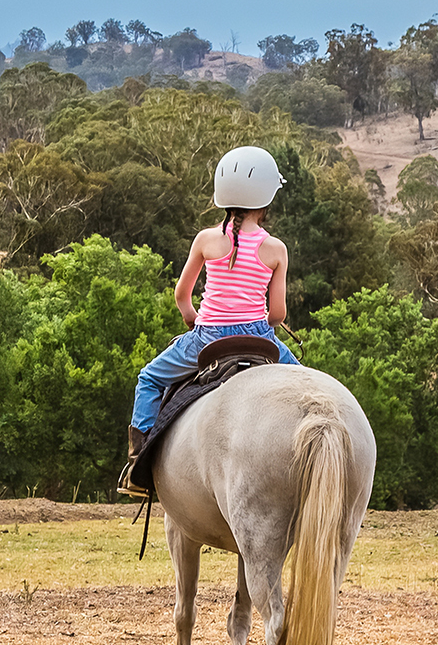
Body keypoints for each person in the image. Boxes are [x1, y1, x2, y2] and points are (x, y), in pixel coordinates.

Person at [117, 145, 302, 496]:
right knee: (309, 384)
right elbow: (277, 315)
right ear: (266, 200)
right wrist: (259, 320)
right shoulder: (276, 249)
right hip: (261, 339)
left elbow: (181, 295)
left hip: (207, 339)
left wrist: (192, 318)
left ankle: (137, 464)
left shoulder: (206, 239)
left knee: (149, 379)